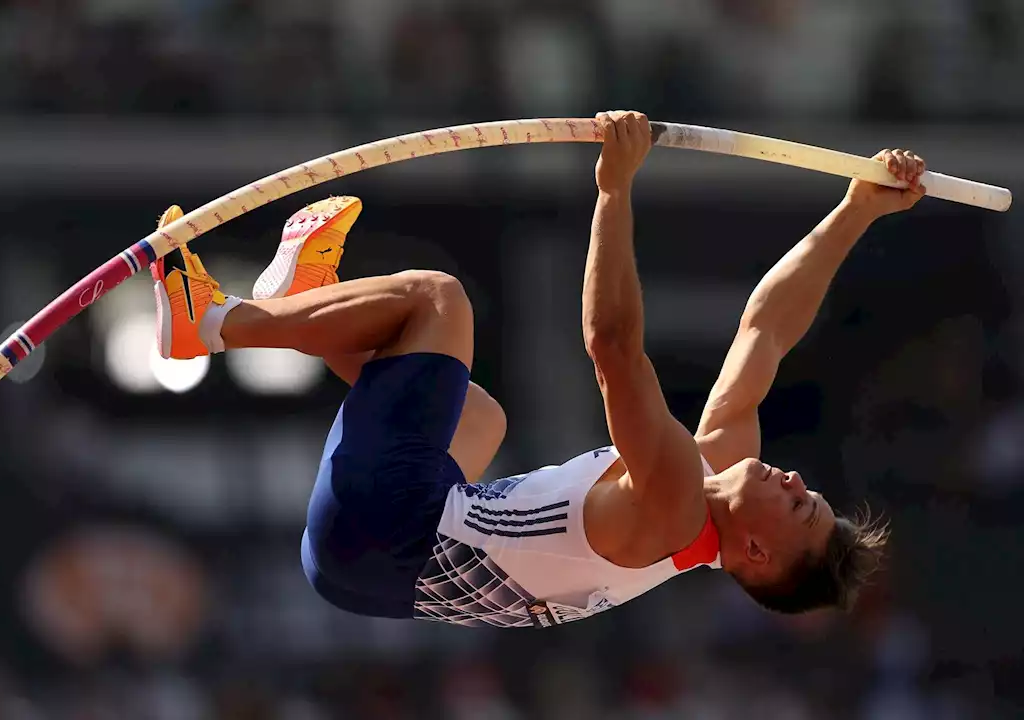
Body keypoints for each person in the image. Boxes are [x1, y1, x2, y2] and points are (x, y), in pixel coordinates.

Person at [148, 111, 911, 628]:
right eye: (812, 494)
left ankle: (213, 324)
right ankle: (308, 316)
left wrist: (613, 188)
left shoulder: (677, 500)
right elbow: (766, 329)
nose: (798, 483)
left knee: (435, 300)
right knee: (479, 418)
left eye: (802, 508)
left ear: (754, 553)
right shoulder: (711, 473)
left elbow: (612, 347)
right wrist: (856, 210)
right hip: (376, 569)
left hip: (385, 533)